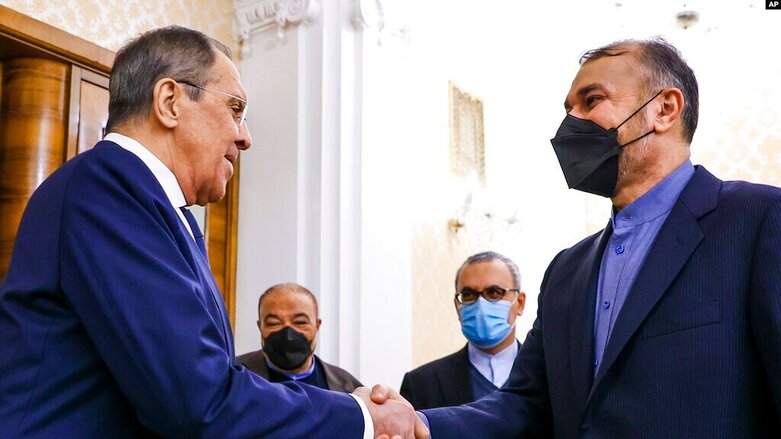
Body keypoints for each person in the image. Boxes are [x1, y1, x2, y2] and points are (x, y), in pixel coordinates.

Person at [0, 25, 425, 439]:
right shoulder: (108, 187)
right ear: (169, 101)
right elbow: (198, 400)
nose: (245, 137)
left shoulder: (154, 204)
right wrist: (361, 417)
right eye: (235, 109)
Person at [384, 37, 781, 437]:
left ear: (664, 109)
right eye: (568, 109)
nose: (571, 122)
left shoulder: (758, 220)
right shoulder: (566, 270)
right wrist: (420, 422)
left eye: (591, 101)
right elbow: (528, 404)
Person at [399, 251, 525, 409]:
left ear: (520, 303)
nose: (480, 305)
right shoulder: (421, 384)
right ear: (457, 307)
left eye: (494, 293)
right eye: (468, 295)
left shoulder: (548, 375)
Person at [237, 283, 362, 392]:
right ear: (260, 327)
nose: (288, 333)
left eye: (300, 322)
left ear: (317, 325)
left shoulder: (347, 387)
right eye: (274, 323)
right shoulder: (230, 377)